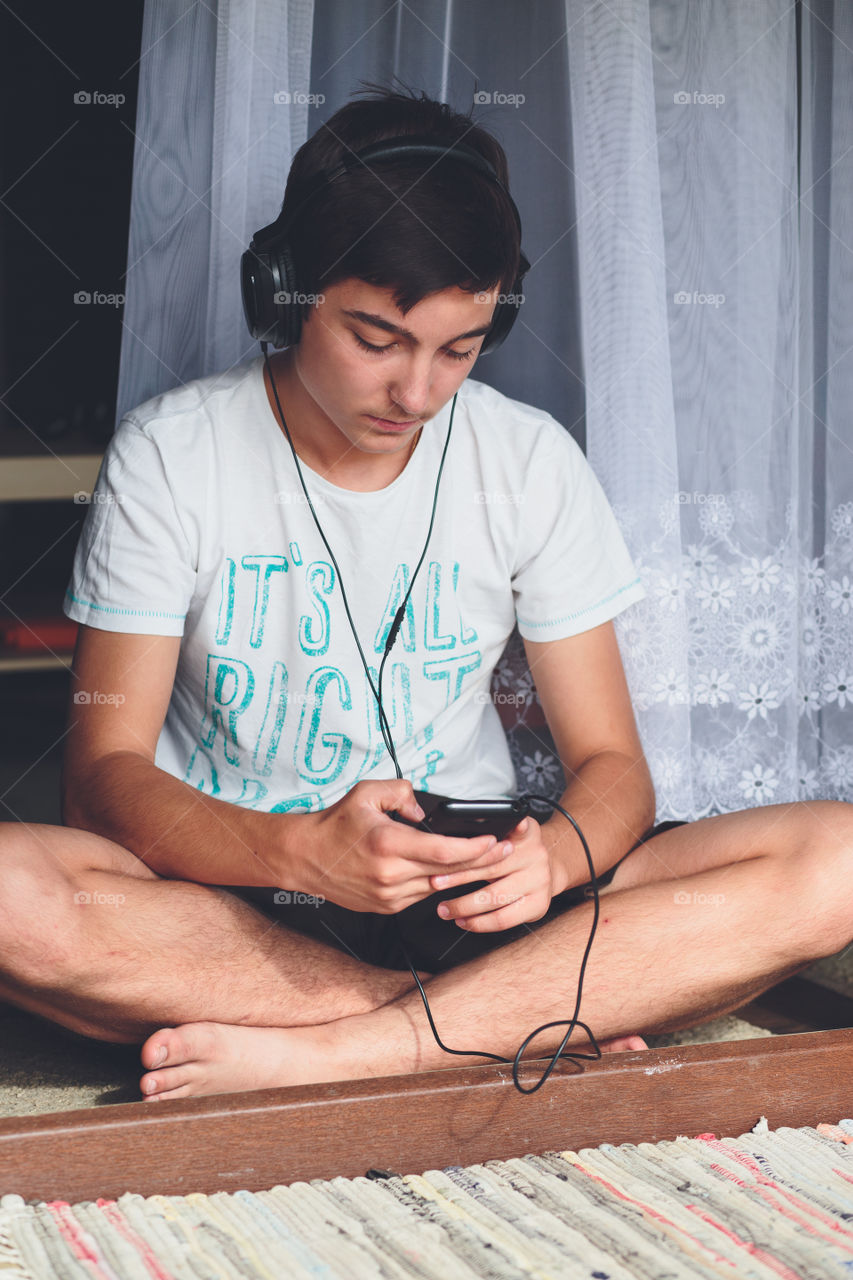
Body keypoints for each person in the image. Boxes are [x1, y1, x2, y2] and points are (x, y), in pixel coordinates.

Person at [1, 86, 850, 1104]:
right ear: (282, 293)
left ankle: (362, 1048)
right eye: (376, 339)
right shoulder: (170, 453)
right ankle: (510, 1017)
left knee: (838, 855)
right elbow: (102, 775)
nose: (416, 393)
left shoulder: (528, 458)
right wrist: (303, 851)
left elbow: (613, 765)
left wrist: (556, 856)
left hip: (478, 890)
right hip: (236, 893)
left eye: (459, 347)